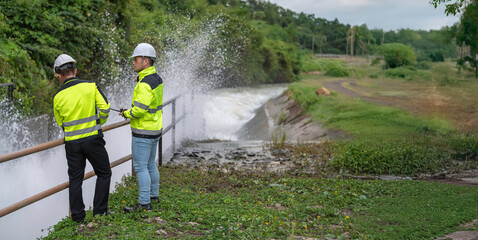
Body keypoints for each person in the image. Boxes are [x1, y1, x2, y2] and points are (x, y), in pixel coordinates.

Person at [52, 54, 112, 223]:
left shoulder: (57, 97)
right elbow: (105, 108)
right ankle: (100, 212)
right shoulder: (91, 86)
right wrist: (100, 122)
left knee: (75, 179)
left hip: (72, 144)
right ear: (75, 71)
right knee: (104, 173)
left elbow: (60, 122)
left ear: (59, 75)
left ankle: (78, 217)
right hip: (93, 140)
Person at [120, 43, 163, 213]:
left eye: (136, 59)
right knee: (150, 164)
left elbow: (139, 110)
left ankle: (144, 203)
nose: (133, 62)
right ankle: (154, 195)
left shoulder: (145, 83)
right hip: (154, 129)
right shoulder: (156, 78)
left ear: (145, 61)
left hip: (143, 132)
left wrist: (126, 113)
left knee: (140, 167)